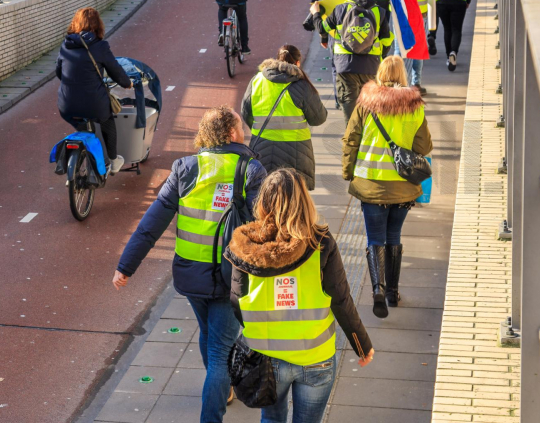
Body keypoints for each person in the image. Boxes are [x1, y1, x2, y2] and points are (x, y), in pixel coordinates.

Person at [113, 106, 267, 423]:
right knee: (220, 352)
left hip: (191, 276)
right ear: (231, 133)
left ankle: (221, 388)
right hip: (231, 276)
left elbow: (151, 223)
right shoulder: (250, 169)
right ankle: (212, 413)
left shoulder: (185, 168)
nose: (244, 127)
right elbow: (266, 224)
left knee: (209, 334)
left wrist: (126, 266)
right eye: (240, 123)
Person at [224, 168, 374, 423]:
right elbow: (341, 299)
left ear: (264, 201)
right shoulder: (321, 242)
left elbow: (237, 300)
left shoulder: (247, 246)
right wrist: (362, 345)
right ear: (304, 200)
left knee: (272, 419)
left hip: (266, 357)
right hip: (316, 356)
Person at [342, 56, 433, 318]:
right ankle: (393, 291)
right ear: (403, 75)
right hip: (403, 187)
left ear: (380, 73)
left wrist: (348, 172)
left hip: (371, 185)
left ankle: (377, 290)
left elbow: (351, 140)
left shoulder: (365, 103)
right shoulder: (414, 106)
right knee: (394, 236)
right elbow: (424, 147)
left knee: (374, 239)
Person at [56, 8, 133, 174]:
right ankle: (113, 160)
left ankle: (85, 151)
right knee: (107, 121)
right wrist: (127, 83)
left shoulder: (66, 44)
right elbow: (115, 70)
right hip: (94, 103)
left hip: (66, 104)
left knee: (82, 124)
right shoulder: (100, 46)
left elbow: (58, 72)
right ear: (98, 25)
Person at [241, 45, 328, 191]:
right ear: (298, 63)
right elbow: (318, 118)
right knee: (293, 197)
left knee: (263, 195)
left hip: (261, 147)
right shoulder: (302, 85)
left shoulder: (257, 80)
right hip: (296, 151)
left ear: (277, 59)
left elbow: (246, 112)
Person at [312, 0, 394, 124]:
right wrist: (379, 57)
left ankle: (351, 137)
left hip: (345, 66)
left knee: (349, 106)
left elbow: (322, 28)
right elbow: (387, 40)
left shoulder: (340, 9)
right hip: (370, 66)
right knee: (369, 107)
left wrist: (316, 13)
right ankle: (366, 135)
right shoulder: (379, 12)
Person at [381, 0, 439, 94]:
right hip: (418, 16)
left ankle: (395, 82)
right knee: (418, 49)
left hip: (399, 15)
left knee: (399, 49)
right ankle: (416, 84)